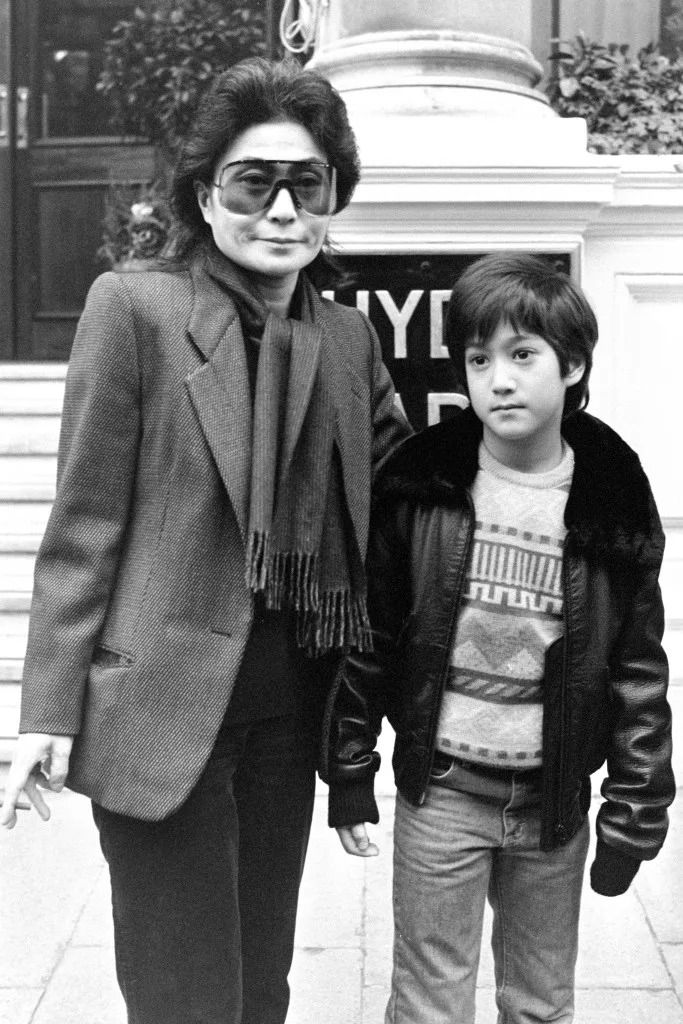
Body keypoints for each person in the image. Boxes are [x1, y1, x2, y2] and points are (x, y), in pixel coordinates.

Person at [0, 57, 411, 1024]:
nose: (279, 210)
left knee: (257, 990)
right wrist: (46, 713)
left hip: (287, 718)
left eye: (304, 185)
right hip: (157, 714)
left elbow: (406, 496)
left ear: (331, 201)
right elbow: (84, 524)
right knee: (185, 999)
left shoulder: (345, 341)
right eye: (252, 182)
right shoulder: (133, 310)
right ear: (205, 193)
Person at [322, 252, 675, 1024]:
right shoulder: (423, 487)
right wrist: (349, 767)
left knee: (540, 1003)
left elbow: (636, 668)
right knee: (427, 1000)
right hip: (441, 793)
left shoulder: (609, 497)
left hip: (552, 806)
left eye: (523, 355)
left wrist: (635, 810)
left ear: (573, 363)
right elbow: (372, 635)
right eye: (480, 359)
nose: (499, 379)